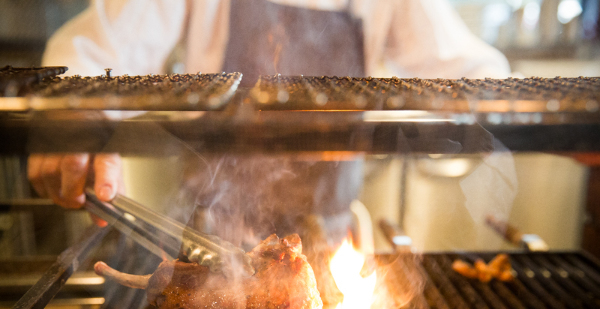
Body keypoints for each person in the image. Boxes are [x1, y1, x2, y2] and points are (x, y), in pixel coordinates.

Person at [29, 0, 511, 242]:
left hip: (332, 234)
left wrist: (538, 123)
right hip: (212, 238)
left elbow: (471, 71)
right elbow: (97, 50)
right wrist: (73, 116)